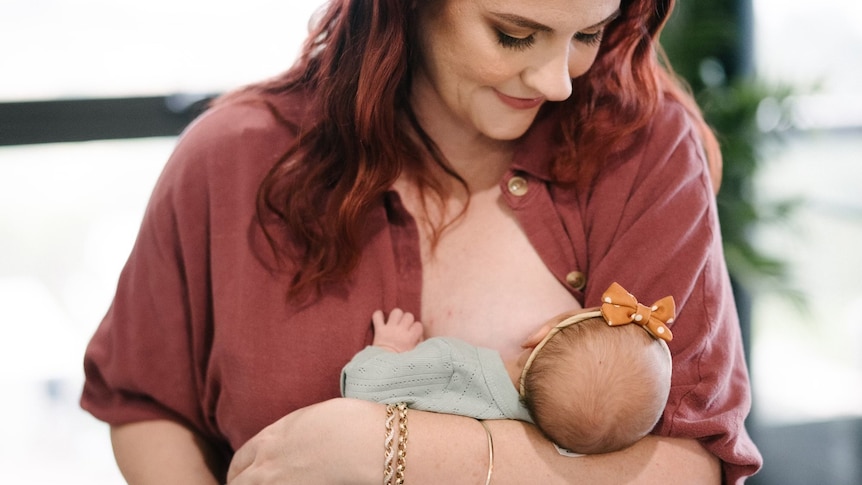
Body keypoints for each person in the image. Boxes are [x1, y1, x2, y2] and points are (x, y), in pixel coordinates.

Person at [80, 0, 763, 483]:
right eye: (515, 34)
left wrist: (394, 451)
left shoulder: (642, 151)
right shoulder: (231, 159)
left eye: (588, 33)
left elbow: (691, 460)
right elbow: (145, 400)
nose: (558, 81)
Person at [341, 282, 675, 455]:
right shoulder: (558, 444)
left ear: (540, 334)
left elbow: (361, 386)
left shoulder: (453, 364)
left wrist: (388, 346)